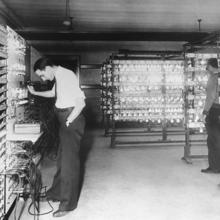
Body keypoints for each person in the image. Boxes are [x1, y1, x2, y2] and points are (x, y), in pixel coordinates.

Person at [28, 58, 86, 217]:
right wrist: (35, 92)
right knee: (62, 159)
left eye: (42, 75)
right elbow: (53, 93)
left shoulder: (66, 75)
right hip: (65, 119)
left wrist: (68, 120)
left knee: (69, 164)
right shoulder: (59, 76)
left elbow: (80, 103)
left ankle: (68, 205)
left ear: (47, 68)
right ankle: (56, 194)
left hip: (71, 119)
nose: (43, 79)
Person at [201, 58, 220, 174]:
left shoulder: (213, 78)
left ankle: (214, 167)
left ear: (210, 66)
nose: (206, 68)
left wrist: (205, 111)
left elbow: (212, 97)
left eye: (207, 66)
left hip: (214, 111)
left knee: (213, 141)